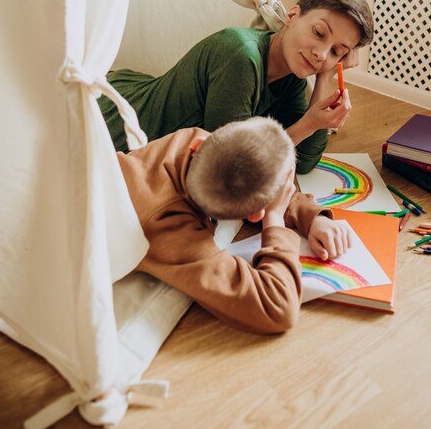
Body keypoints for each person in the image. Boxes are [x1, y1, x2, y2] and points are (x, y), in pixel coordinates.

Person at [99, 0, 374, 174]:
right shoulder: (241, 55)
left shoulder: (293, 76)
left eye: (337, 51)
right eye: (318, 32)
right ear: (292, 15)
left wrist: (326, 74)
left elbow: (304, 163)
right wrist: (308, 124)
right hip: (114, 122)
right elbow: (231, 164)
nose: (320, 54)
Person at [118, 117, 351, 334]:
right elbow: (277, 308)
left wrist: (313, 217)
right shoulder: (170, 229)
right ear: (255, 215)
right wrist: (274, 221)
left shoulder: (194, 142)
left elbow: (252, 174)